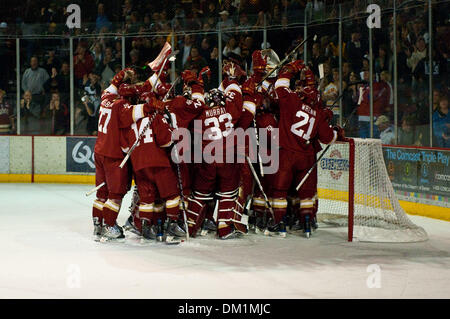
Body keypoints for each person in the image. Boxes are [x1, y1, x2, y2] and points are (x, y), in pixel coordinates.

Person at [271, 59, 345, 238]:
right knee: (306, 193)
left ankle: (280, 225)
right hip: (306, 156)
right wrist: (338, 131)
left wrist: (289, 69)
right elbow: (328, 138)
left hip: (287, 153)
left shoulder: (292, 101)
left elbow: (280, 87)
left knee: (280, 190)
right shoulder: (318, 113)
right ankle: (307, 224)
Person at [91, 68, 157, 241]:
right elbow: (139, 111)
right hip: (113, 156)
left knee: (101, 193)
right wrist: (152, 105)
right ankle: (109, 226)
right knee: (115, 194)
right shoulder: (122, 106)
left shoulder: (106, 100)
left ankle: (98, 224)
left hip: (99, 152)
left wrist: (117, 79)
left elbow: (107, 90)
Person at [186, 61, 245, 239]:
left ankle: (190, 227)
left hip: (207, 159)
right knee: (228, 194)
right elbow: (237, 98)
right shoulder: (229, 111)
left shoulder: (201, 114)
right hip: (227, 158)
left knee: (200, 195)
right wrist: (232, 79)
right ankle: (224, 229)